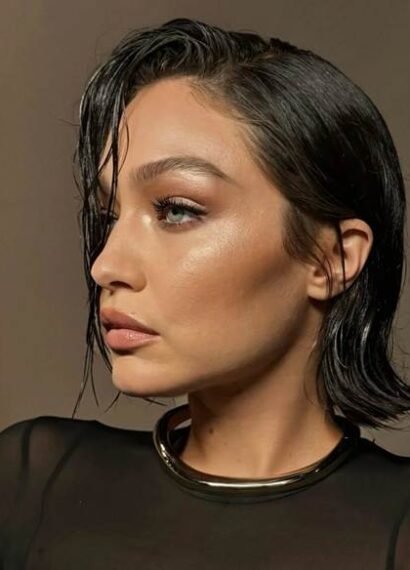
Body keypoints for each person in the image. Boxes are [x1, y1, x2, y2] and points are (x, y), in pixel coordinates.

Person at [1, 16, 410, 569]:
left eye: (176, 209)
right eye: (109, 216)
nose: (105, 265)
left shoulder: (394, 529)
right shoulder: (33, 483)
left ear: (331, 259)